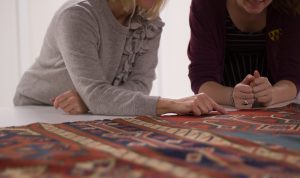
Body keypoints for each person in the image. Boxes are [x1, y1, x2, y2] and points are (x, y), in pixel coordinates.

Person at [14, 0, 226, 116]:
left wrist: (90, 101)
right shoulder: (77, 16)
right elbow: (96, 95)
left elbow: (140, 84)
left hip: (88, 112)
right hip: (37, 110)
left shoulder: (150, 22)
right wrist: (173, 104)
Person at [188, 0, 300, 109]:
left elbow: (292, 77)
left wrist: (272, 94)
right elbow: (202, 79)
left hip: (276, 106)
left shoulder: (292, 5)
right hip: (223, 106)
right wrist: (231, 96)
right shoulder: (206, 4)